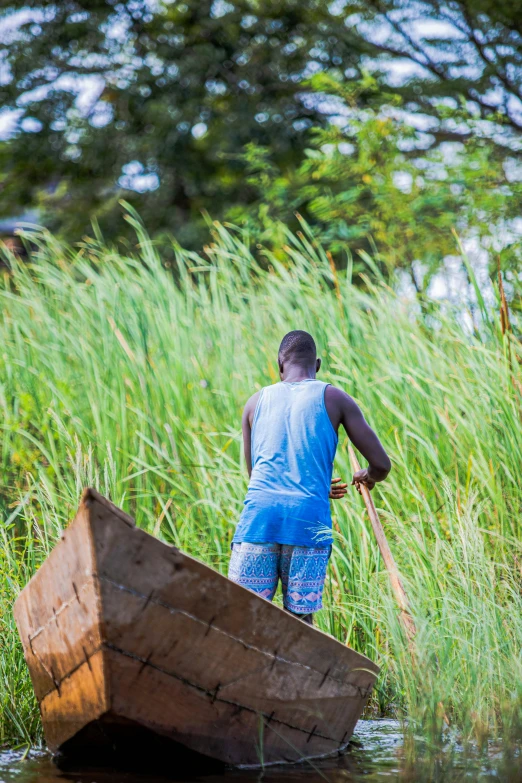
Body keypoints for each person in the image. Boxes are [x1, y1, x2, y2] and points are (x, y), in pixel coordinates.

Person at [228, 330, 391, 625]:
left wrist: (311, 482)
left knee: (244, 622)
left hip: (258, 519)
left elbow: (258, 475)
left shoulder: (255, 402)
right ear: (316, 365)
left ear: (280, 365)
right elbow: (381, 464)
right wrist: (366, 476)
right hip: (307, 522)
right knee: (301, 625)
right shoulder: (335, 397)